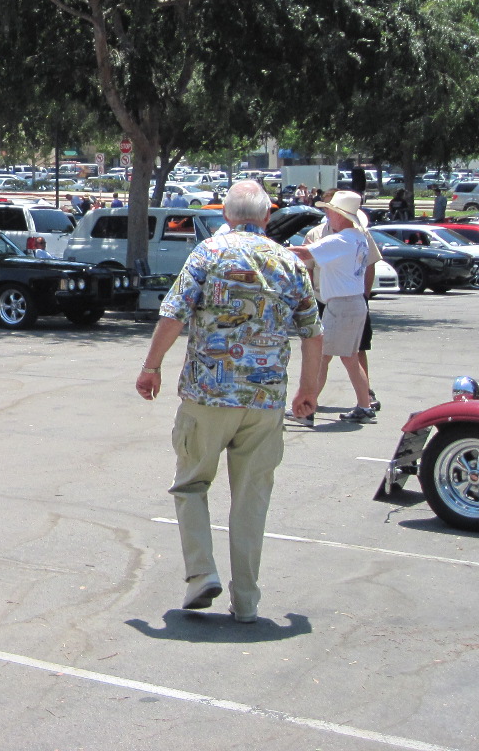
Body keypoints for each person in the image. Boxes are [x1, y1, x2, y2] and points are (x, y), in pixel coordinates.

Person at [134, 180, 323, 624]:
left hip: (208, 394)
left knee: (190, 484)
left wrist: (151, 366)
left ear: (226, 215)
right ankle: (247, 601)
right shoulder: (288, 262)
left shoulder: (208, 253)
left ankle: (201, 574)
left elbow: (174, 313)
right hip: (265, 400)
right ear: (267, 216)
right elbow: (313, 332)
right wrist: (308, 390)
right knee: (251, 500)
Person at [289, 191, 376, 423]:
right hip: (354, 302)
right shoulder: (358, 237)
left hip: (341, 305)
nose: (327, 215)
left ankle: (306, 408)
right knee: (349, 358)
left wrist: (272, 249)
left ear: (340, 215)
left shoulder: (341, 240)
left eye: (330, 211)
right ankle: (364, 406)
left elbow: (304, 253)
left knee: (321, 357)